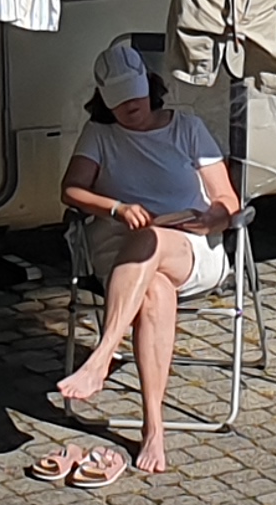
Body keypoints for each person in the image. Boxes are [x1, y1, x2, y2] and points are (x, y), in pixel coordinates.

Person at [54, 41, 241, 477]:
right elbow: (71, 190)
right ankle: (153, 427)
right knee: (154, 290)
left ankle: (102, 356)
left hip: (188, 246)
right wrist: (116, 208)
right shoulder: (100, 134)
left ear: (149, 88)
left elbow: (227, 200)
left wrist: (209, 219)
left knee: (153, 238)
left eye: (135, 97)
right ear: (104, 101)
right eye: (118, 102)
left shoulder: (187, 128)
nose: (129, 108)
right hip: (121, 250)